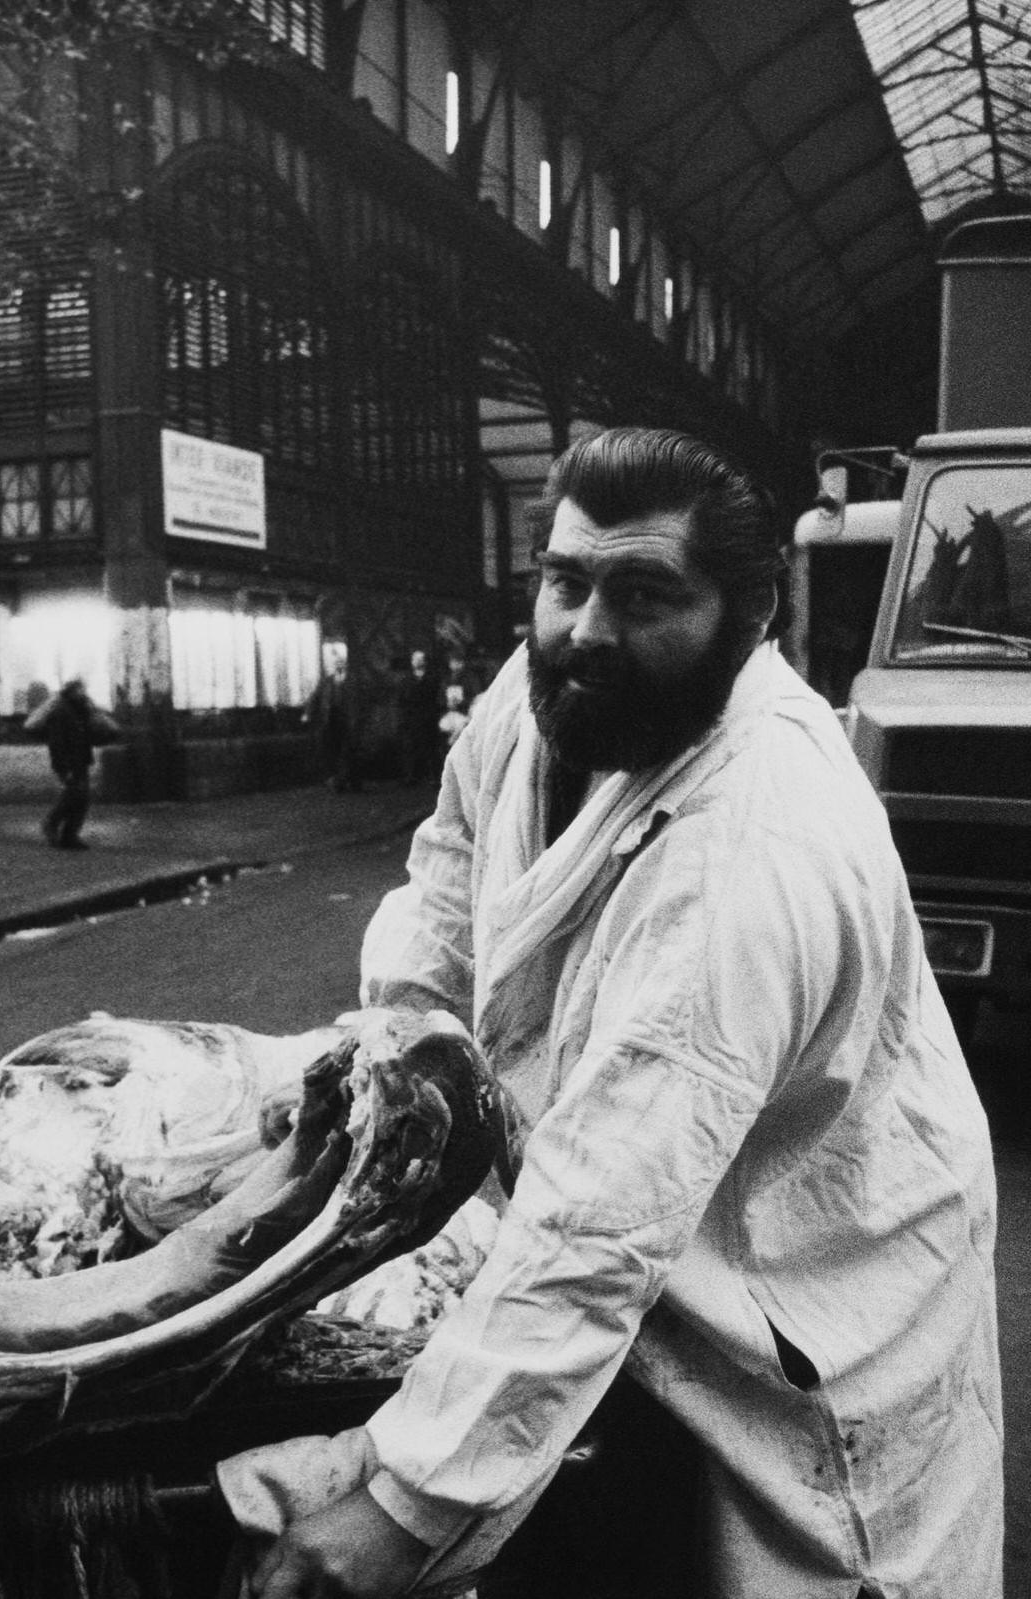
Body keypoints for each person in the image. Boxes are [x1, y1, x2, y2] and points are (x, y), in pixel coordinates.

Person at [243, 427, 1003, 1598]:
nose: (588, 627)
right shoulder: (546, 687)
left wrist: (401, 1512)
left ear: (749, 618)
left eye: (648, 594)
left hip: (799, 1306)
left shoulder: (752, 845)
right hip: (640, 1244)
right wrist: (403, 1079)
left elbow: (600, 1229)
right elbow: (446, 878)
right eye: (566, 581)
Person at [24, 677, 119, 850]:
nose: (83, 692)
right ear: (72, 691)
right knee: (74, 796)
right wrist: (62, 767)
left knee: (81, 799)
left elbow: (95, 733)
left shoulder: (81, 710)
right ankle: (52, 823)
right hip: (68, 762)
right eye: (80, 689)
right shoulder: (61, 712)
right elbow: (57, 742)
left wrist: (94, 712)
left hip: (81, 759)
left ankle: (69, 835)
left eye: (83, 689)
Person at [303, 654, 362, 793]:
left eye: (341, 663)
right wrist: (307, 713)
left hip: (348, 721)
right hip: (330, 721)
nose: (338, 665)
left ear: (345, 664)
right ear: (332, 665)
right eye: (336, 663)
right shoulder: (326, 681)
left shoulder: (353, 681)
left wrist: (359, 718)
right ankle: (336, 782)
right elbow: (315, 697)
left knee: (348, 752)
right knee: (332, 752)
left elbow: (361, 701)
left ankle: (351, 781)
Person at [396, 649, 441, 786]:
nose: (418, 661)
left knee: (430, 748)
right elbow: (401, 701)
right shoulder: (405, 680)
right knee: (410, 748)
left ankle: (433, 777)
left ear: (425, 661)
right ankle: (410, 777)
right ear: (411, 662)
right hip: (411, 718)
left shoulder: (433, 679)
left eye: (421, 659)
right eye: (416, 659)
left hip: (428, 717)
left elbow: (436, 699)